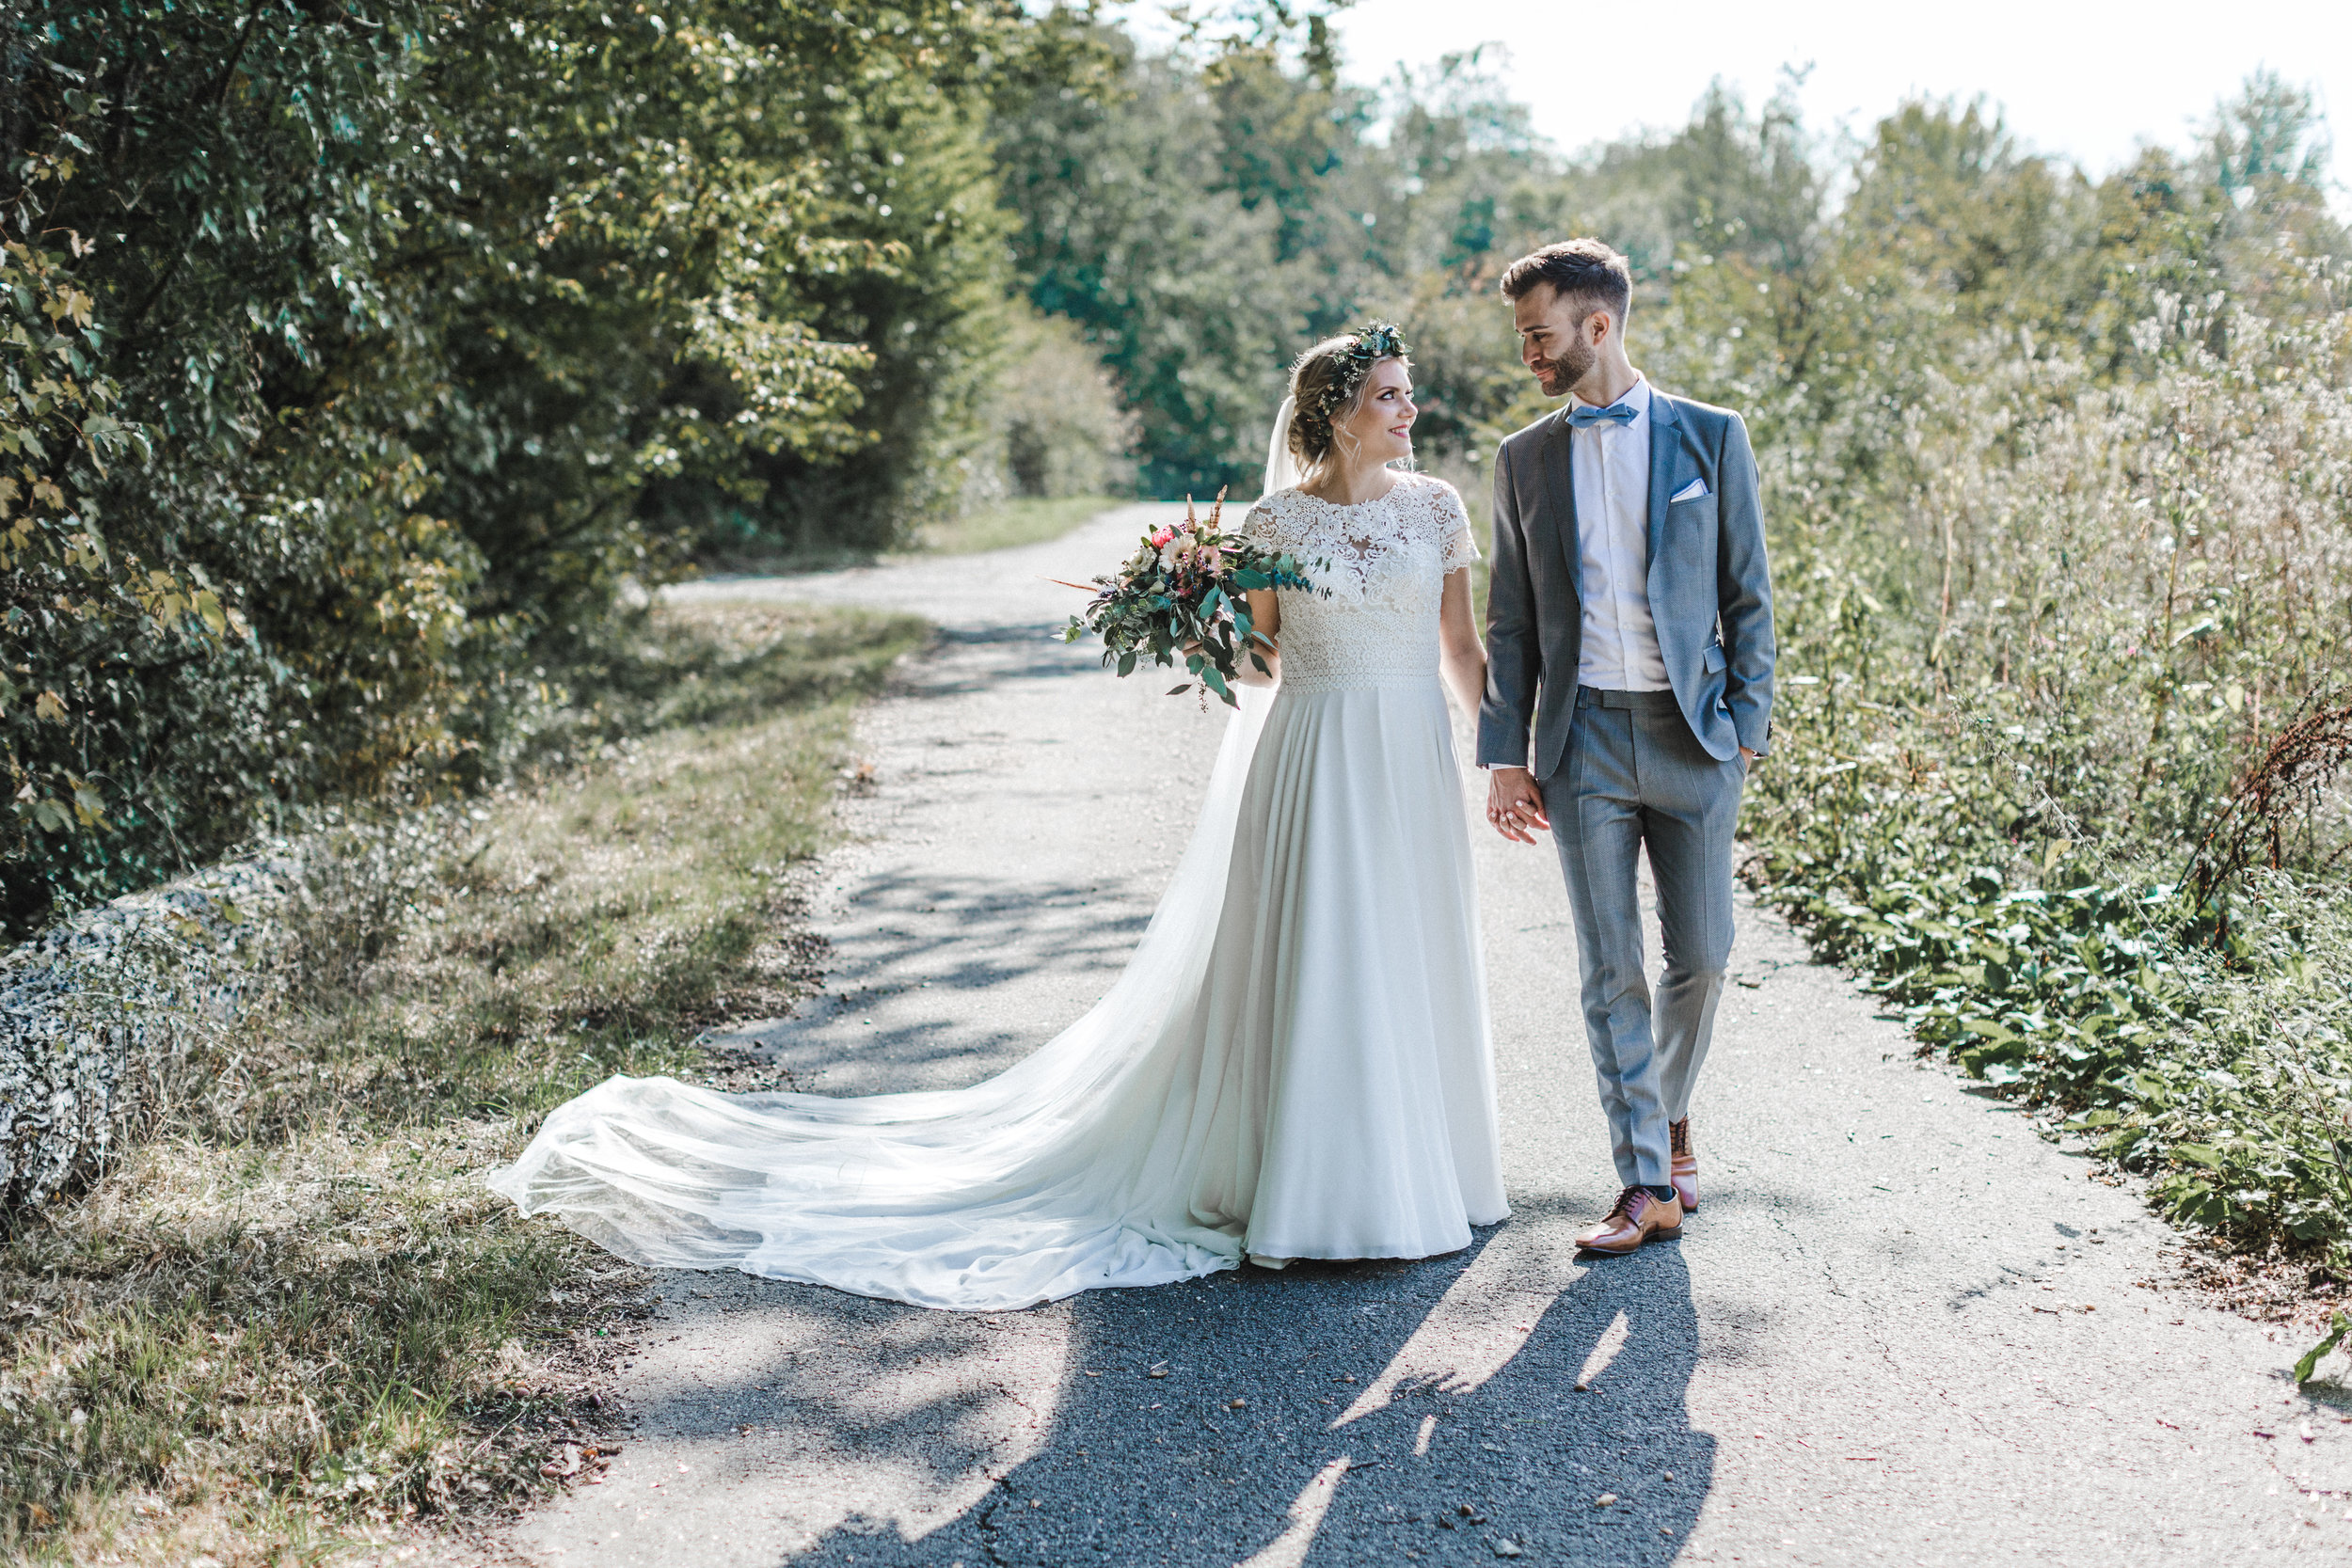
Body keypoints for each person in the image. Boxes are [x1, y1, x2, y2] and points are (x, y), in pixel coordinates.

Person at [486, 323, 1508, 1310]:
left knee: (1407, 946)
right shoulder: (1276, 526)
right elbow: (1263, 660)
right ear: (1334, 416)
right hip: (1319, 753)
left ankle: (1425, 1172)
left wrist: (1501, 753)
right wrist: (1194, 613)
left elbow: (1460, 647)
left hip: (1411, 754)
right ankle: (1322, 1189)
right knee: (1328, 951)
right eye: (1389, 394)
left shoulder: (1437, 506)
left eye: (1405, 392)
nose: (1409, 408)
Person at [1477, 240, 1776, 1257]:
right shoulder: (1523, 459)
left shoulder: (1711, 438)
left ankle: (1667, 1109)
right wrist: (1505, 753)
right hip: (1582, 736)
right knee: (1610, 968)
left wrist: (1744, 728)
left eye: (1539, 334)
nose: (1529, 354)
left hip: (1694, 737)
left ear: (1596, 327)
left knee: (1701, 954)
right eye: (1525, 336)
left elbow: (1749, 599)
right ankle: (1644, 1179)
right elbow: (1509, 620)